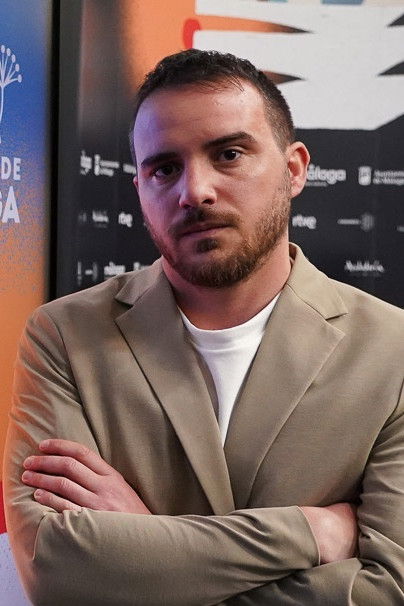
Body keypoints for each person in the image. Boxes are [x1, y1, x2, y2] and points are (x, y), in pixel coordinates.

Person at [4, 49, 404, 605]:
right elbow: (57, 572)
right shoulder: (66, 337)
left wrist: (145, 548)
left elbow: (389, 590)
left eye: (229, 154)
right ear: (140, 189)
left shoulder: (392, 350)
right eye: (164, 169)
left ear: (293, 170)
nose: (194, 191)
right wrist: (314, 531)